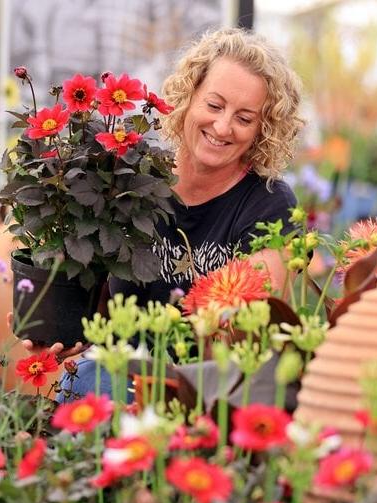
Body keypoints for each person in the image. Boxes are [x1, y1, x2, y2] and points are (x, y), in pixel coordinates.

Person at [26, 27, 305, 399]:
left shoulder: (270, 204)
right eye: (214, 105)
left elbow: (245, 331)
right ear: (189, 97)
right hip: (118, 377)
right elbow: (87, 295)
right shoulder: (130, 179)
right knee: (91, 378)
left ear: (262, 128)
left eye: (244, 117)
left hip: (210, 390)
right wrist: (58, 325)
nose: (223, 127)